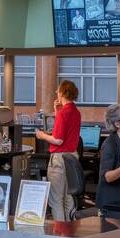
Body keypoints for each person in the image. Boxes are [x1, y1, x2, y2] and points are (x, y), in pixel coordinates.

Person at [36, 80, 81, 221]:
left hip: (59, 159)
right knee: (68, 197)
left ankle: (60, 234)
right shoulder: (75, 112)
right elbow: (66, 130)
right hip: (72, 157)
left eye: (58, 91)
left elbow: (58, 140)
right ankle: (70, 229)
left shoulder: (63, 114)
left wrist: (42, 135)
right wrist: (57, 112)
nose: (57, 93)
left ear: (62, 93)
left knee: (56, 199)